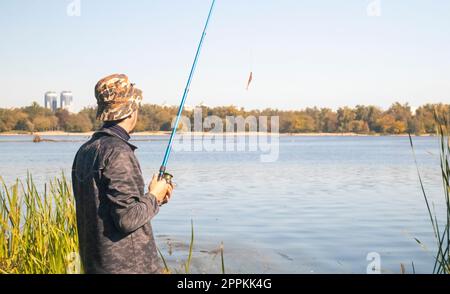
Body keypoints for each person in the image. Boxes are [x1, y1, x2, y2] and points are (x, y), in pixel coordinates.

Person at [72, 74, 173, 274]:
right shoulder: (118, 152)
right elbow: (127, 219)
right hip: (128, 268)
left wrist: (157, 198)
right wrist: (153, 196)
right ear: (131, 110)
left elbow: (111, 210)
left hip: (97, 266)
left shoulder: (85, 151)